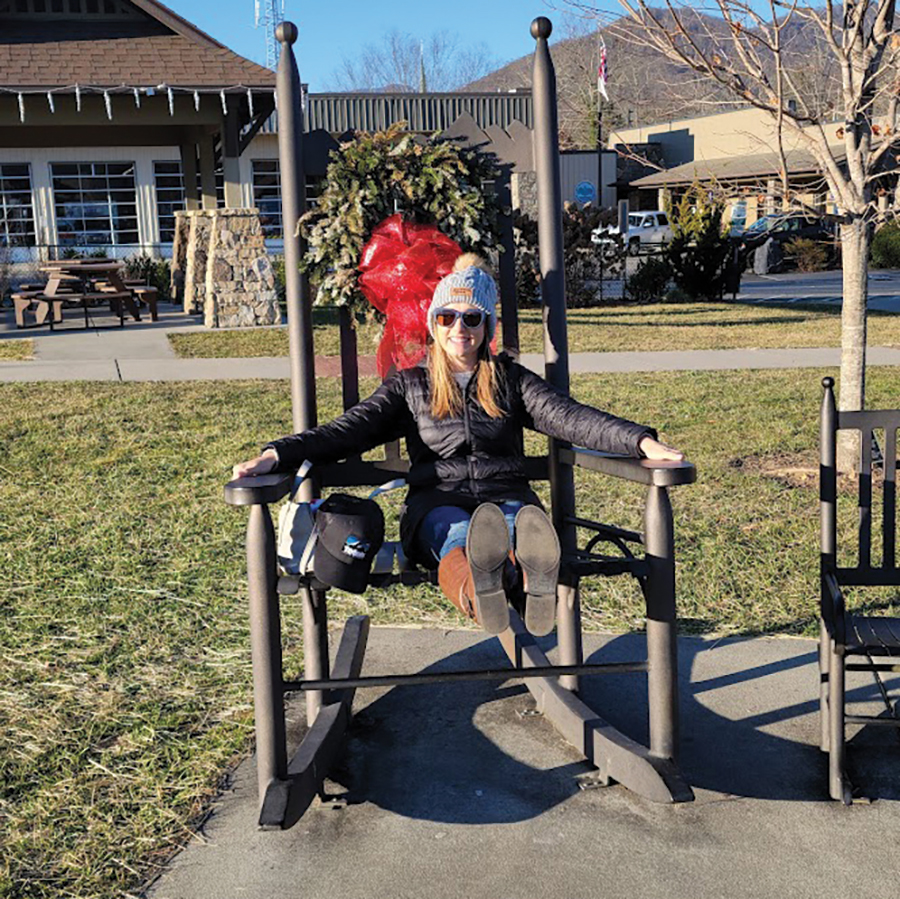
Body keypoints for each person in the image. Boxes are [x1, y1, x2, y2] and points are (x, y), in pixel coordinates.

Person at [233, 254, 683, 636]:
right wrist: (278, 453)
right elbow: (348, 429)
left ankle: (526, 575)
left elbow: (569, 418)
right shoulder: (410, 386)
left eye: (472, 318)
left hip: (506, 495)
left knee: (513, 523)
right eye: (447, 317)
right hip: (436, 502)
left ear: (487, 325)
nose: (459, 328)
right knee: (460, 534)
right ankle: (485, 591)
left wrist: (639, 440)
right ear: (434, 323)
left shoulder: (510, 381)